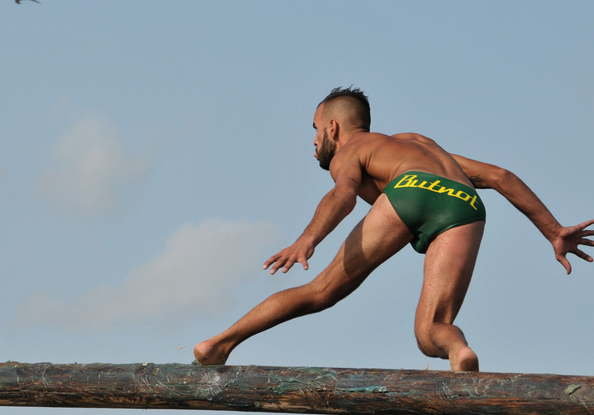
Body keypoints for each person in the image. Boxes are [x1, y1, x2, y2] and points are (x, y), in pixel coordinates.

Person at [194, 86, 593, 371]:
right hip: (465, 204)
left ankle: (218, 344)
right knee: (430, 330)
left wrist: (307, 239)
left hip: (410, 190)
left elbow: (345, 194)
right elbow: (500, 175)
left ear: (333, 128)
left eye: (315, 130)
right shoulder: (418, 144)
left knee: (320, 292)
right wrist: (553, 230)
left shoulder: (352, 150)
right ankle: (459, 352)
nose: (314, 142)